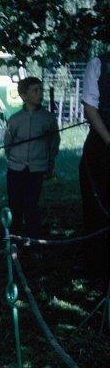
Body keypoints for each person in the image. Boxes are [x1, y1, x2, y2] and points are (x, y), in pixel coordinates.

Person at [3, 77, 59, 239]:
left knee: (31, 205)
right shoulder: (15, 119)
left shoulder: (48, 119)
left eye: (41, 90)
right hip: (15, 168)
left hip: (37, 168)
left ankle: (33, 240)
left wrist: (49, 163)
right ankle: (14, 239)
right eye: (35, 90)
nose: (40, 94)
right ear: (23, 95)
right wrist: (14, 160)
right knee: (15, 205)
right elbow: (8, 143)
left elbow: (53, 143)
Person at [79, 52, 110, 281]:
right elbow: (90, 108)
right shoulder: (99, 64)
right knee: (98, 208)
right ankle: (98, 269)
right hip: (102, 145)